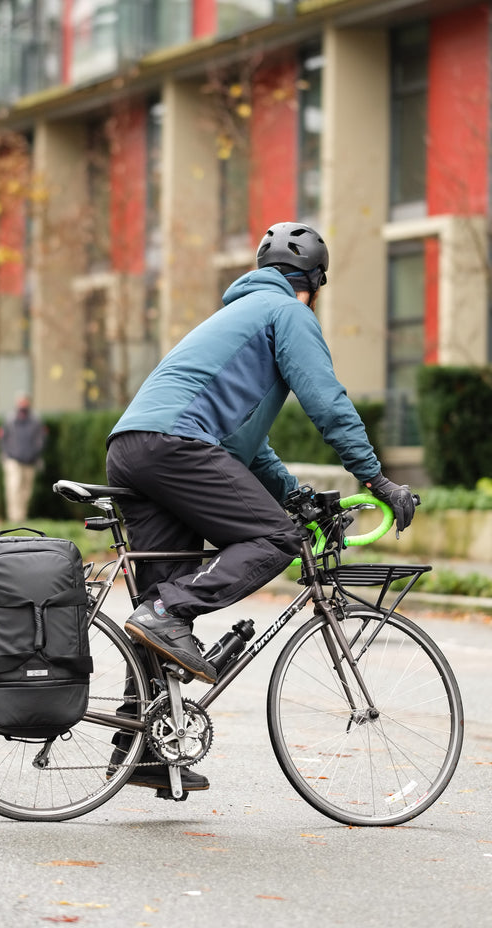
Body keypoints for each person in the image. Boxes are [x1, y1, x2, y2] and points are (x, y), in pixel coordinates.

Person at [106, 221, 416, 792]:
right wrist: (376, 478)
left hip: (134, 448)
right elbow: (325, 399)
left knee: (157, 610)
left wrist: (294, 494)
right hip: (176, 445)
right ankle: (169, 613)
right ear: (313, 284)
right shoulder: (290, 314)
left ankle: (140, 748)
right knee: (276, 541)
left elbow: (246, 444)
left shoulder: (236, 316)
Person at [0, 393, 47, 523]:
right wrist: (7, 454)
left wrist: (35, 453)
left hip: (30, 461)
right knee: (13, 489)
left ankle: (22, 516)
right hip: (13, 460)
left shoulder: (35, 420)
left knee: (26, 491)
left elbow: (40, 439)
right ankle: (14, 518)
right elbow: (3, 438)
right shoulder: (10, 419)